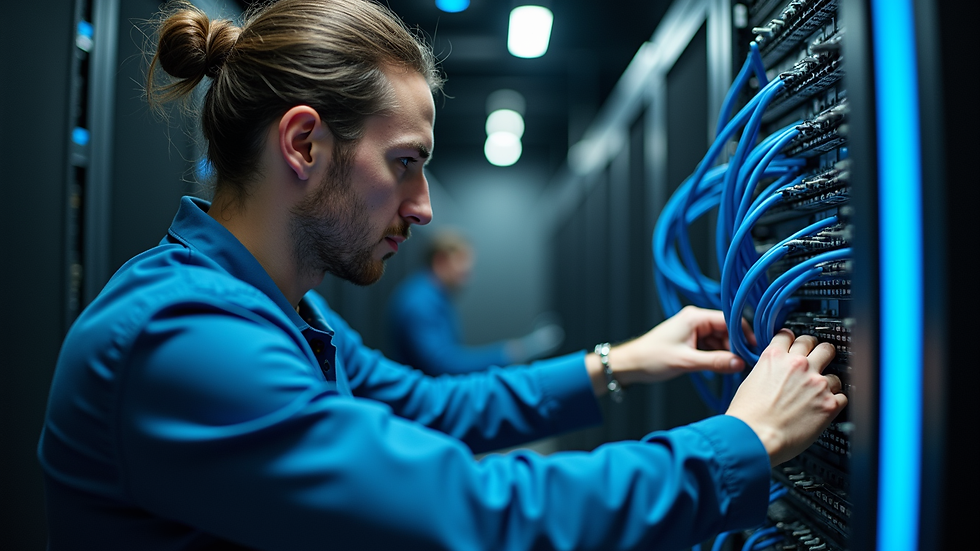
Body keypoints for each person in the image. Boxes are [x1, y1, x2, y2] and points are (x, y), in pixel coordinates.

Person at [36, 1, 848, 550]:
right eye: (405, 164)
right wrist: (741, 442)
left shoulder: (278, 312)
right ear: (303, 144)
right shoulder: (184, 341)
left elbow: (434, 405)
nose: (424, 209)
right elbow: (471, 512)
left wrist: (620, 361)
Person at [387, 227, 564, 375]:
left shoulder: (434, 296)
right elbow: (442, 365)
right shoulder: (420, 302)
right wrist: (509, 353)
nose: (468, 277)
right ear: (441, 261)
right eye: (463, 266)